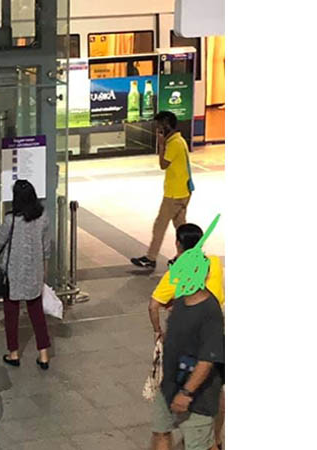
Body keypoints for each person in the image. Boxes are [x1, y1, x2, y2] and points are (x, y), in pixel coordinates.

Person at [149, 222, 225, 450]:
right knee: (161, 430)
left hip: (195, 393)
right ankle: (216, 440)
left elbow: (206, 359)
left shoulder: (209, 311)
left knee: (197, 442)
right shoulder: (183, 298)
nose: (175, 274)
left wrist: (186, 392)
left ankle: (212, 441)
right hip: (171, 383)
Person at [0, 180, 52, 370]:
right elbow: (46, 247)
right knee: (36, 313)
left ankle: (14, 353)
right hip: (34, 271)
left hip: (12, 273)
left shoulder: (10, 220)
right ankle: (43, 354)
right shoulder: (43, 217)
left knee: (11, 314)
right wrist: (44, 270)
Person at [132, 111, 193, 269]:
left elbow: (163, 165)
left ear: (166, 126)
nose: (157, 130)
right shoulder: (180, 140)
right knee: (181, 227)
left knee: (160, 225)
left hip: (174, 194)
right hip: (183, 191)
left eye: (159, 126)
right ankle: (188, 257)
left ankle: (150, 258)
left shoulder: (173, 144)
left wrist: (161, 145)